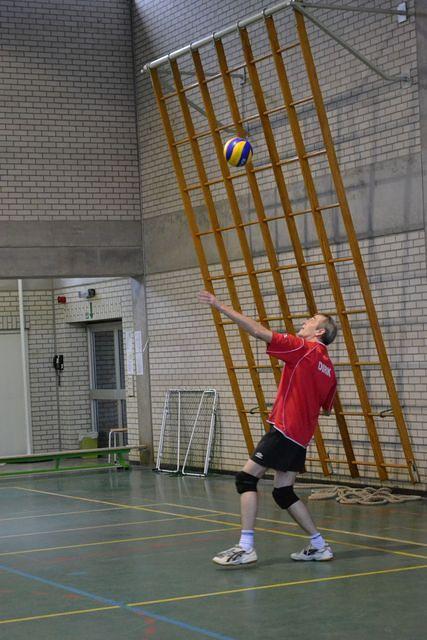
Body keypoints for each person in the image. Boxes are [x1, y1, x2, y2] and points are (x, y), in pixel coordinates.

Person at [198, 290, 338, 566]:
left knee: (246, 479)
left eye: (311, 319)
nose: (305, 321)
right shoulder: (329, 367)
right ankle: (319, 546)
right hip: (301, 436)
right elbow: (326, 406)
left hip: (286, 431)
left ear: (319, 332)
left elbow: (260, 332)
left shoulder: (303, 349)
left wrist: (220, 306)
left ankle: (246, 546)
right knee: (282, 492)